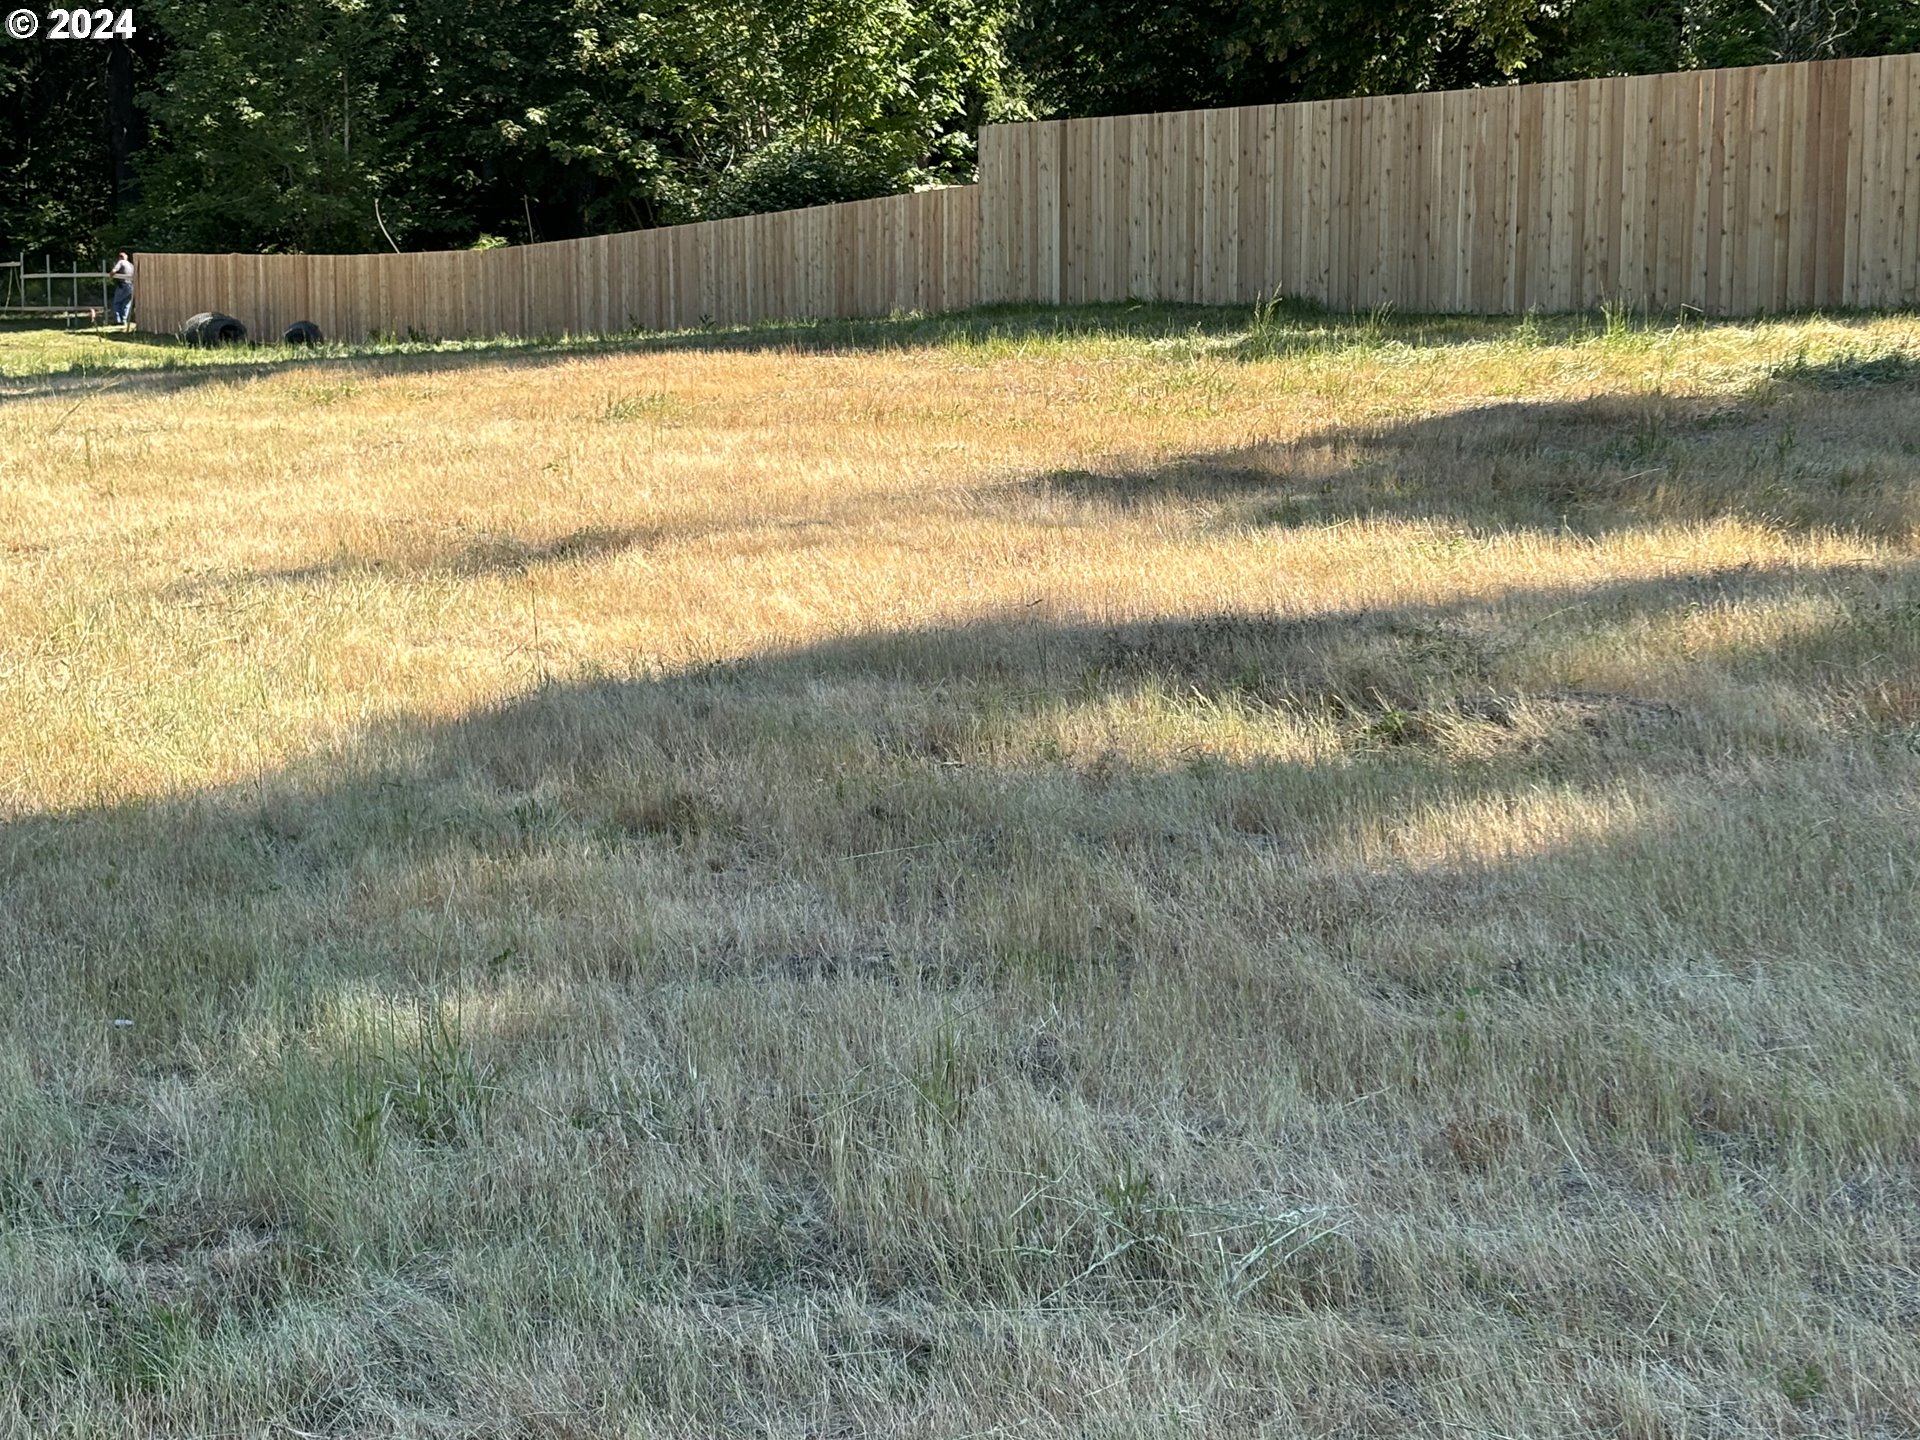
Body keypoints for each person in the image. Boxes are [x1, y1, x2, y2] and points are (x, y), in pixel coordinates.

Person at [109, 251, 134, 326]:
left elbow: (114, 271)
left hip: (123, 285)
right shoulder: (131, 265)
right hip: (132, 286)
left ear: (120, 257)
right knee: (126, 304)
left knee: (117, 302)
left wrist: (111, 276)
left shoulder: (121, 262)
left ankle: (118, 320)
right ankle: (124, 320)